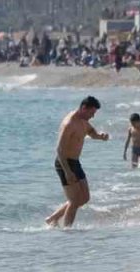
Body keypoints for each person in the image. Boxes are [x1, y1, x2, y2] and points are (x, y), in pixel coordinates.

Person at [45, 96, 109, 228]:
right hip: (64, 163)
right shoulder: (70, 123)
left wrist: (100, 136)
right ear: (83, 108)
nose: (92, 116)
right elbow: (59, 149)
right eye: (92, 113)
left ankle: (53, 218)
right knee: (74, 201)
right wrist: (67, 172)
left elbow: (91, 132)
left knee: (84, 198)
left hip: (75, 162)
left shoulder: (83, 120)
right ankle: (68, 232)